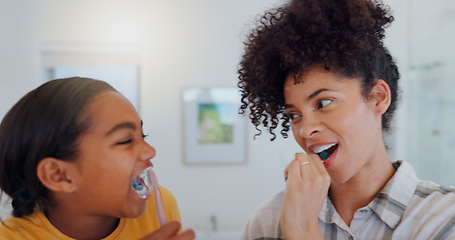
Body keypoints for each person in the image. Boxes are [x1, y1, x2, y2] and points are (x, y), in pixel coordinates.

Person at [238, 0, 455, 239]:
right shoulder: (266, 221)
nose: (305, 130)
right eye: (295, 115)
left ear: (378, 97)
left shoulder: (444, 219)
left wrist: (301, 231)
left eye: (323, 103)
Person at [0, 77, 195, 240]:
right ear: (59, 175)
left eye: (142, 137)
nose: (150, 151)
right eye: (126, 140)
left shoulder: (160, 204)